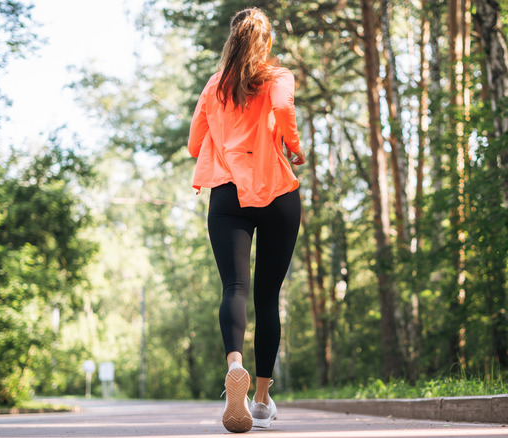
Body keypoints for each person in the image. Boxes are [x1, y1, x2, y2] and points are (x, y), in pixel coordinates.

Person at [187, 7, 305, 434]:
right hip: (277, 194)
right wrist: (293, 145)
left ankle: (233, 363)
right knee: (267, 295)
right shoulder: (278, 77)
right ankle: (258, 400)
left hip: (227, 195)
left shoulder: (214, 86)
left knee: (234, 286)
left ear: (231, 41)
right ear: (266, 42)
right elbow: (283, 109)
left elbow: (193, 143)